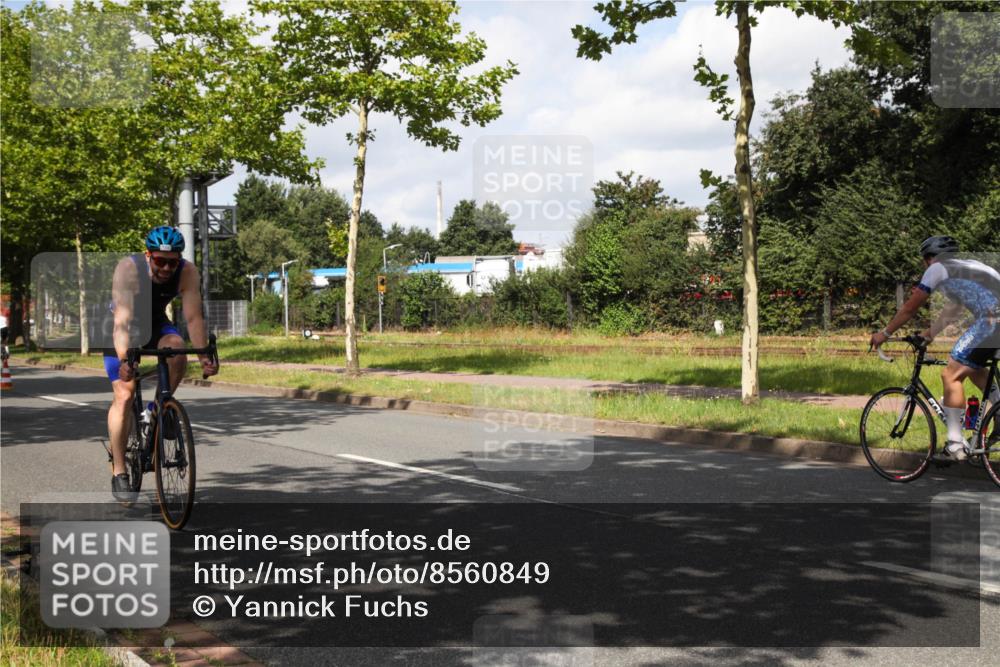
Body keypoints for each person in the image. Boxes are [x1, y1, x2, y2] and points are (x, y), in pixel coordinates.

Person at [106, 226, 219, 500]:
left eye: (173, 262)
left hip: (155, 322)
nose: (167, 268)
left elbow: (193, 318)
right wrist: (124, 361)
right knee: (125, 393)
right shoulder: (128, 269)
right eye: (160, 261)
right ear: (148, 256)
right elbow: (122, 323)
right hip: (120, 325)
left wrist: (203, 356)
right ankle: (119, 470)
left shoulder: (188, 271)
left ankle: (158, 408)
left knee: (177, 349)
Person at [870, 236, 1000, 460]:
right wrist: (930, 334)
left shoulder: (937, 268)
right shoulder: (969, 266)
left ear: (928, 259)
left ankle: (954, 445)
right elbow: (955, 309)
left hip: (992, 320)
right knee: (972, 367)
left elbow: (910, 308)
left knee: (951, 374)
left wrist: (884, 334)